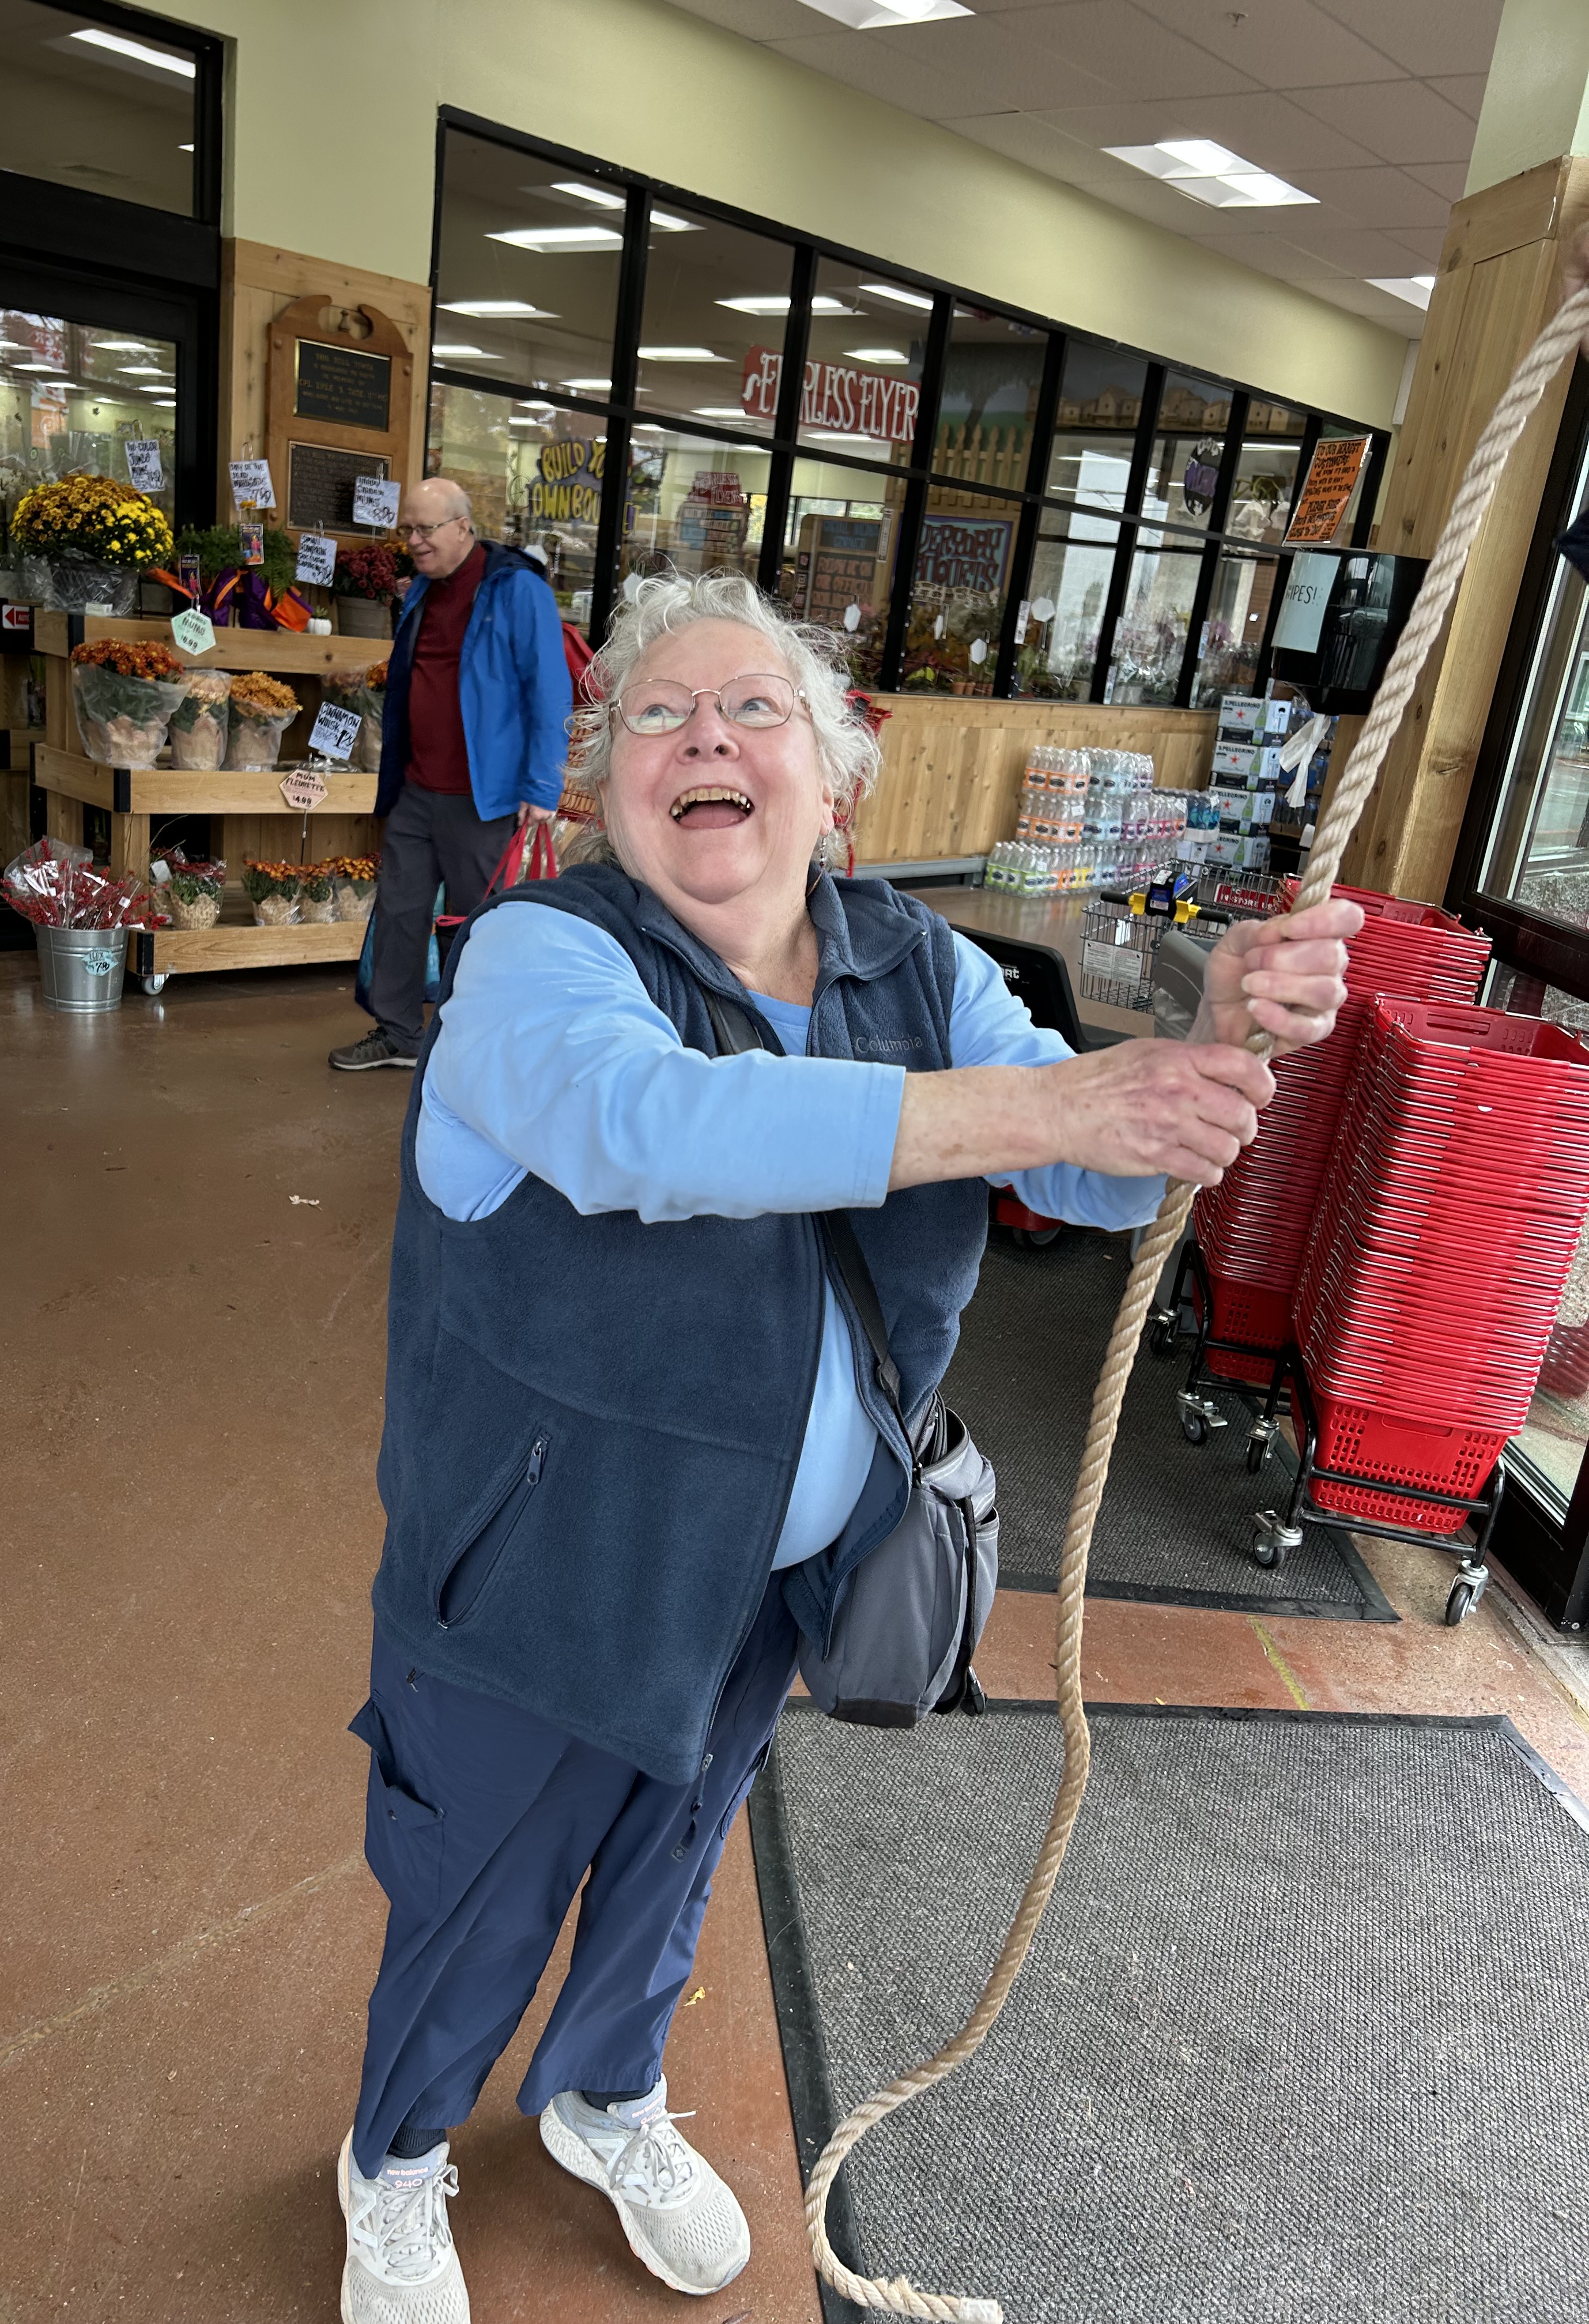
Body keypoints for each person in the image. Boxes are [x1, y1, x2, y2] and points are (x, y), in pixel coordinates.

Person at [336, 571, 1361, 2321]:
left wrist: (1196, 1055)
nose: (708, 738)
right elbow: (648, 1124)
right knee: (476, 1888)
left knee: (673, 1858)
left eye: (757, 710)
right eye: (660, 715)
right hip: (538, 1579)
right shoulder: (535, 957)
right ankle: (396, 2161)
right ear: (605, 784)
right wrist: (1050, 1097)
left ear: (834, 782)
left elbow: (1087, 1168)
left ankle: (604, 2101)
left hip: (773, 1569)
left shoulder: (917, 964)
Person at [329, 478, 572, 1072]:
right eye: (406, 529)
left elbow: (549, 688)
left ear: (464, 527)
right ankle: (398, 1032)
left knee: (479, 925)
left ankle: (476, 1041)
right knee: (398, 912)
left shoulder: (517, 589)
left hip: (485, 796)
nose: (413, 541)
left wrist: (542, 785)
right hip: (417, 787)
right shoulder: (424, 589)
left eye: (425, 529)